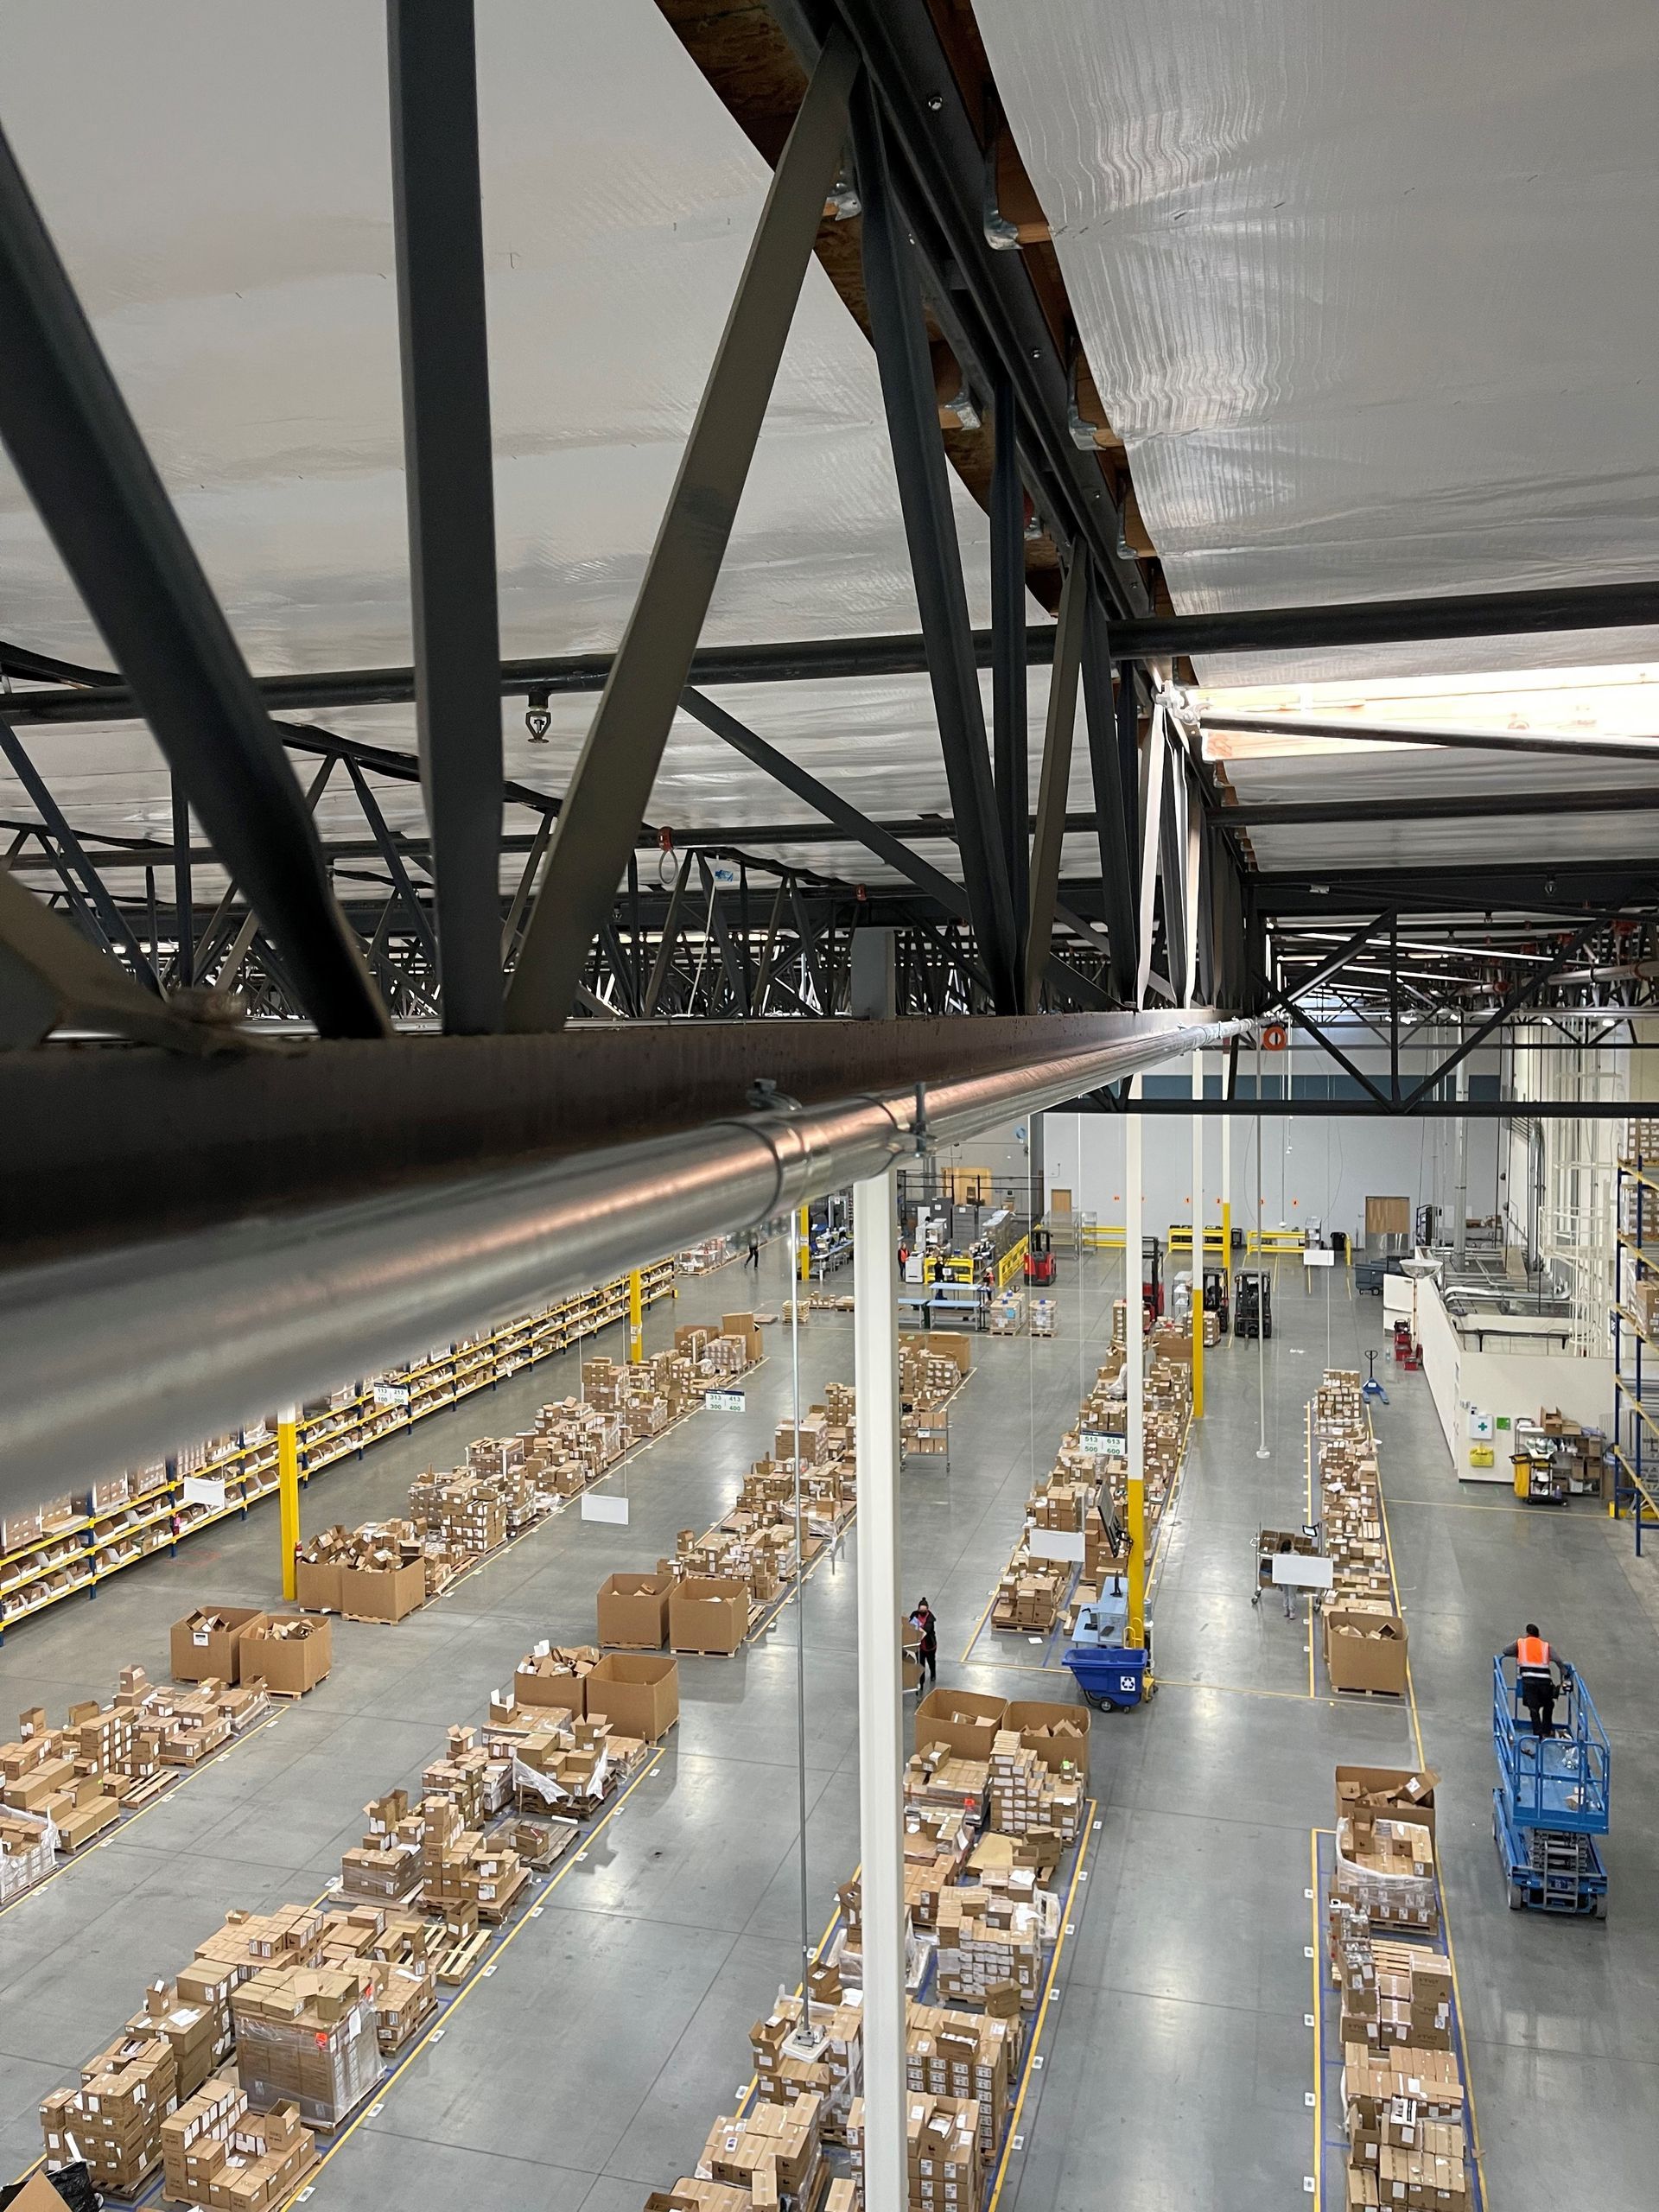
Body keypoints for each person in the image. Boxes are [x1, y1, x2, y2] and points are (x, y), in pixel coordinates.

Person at [1502, 1624, 1570, 1738]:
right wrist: (1566, 1674)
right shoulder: (1545, 1646)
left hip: (1528, 1682)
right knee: (1549, 1704)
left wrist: (1518, 1654)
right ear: (1539, 1635)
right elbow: (1558, 1660)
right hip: (1544, 1683)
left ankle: (1537, 1735)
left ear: (1527, 1634)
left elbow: (1505, 1651)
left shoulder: (1521, 1643)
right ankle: (1546, 1731)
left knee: (1534, 1708)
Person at [911, 1598, 938, 1689]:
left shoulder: (930, 1618)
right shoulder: (915, 1614)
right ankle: (921, 1682)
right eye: (920, 1610)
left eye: (924, 1610)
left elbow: (926, 1630)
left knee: (931, 1662)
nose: (922, 1611)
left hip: (929, 1645)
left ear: (927, 1610)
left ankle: (933, 1674)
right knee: (921, 1664)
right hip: (919, 1647)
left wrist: (917, 1626)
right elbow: (910, 1623)